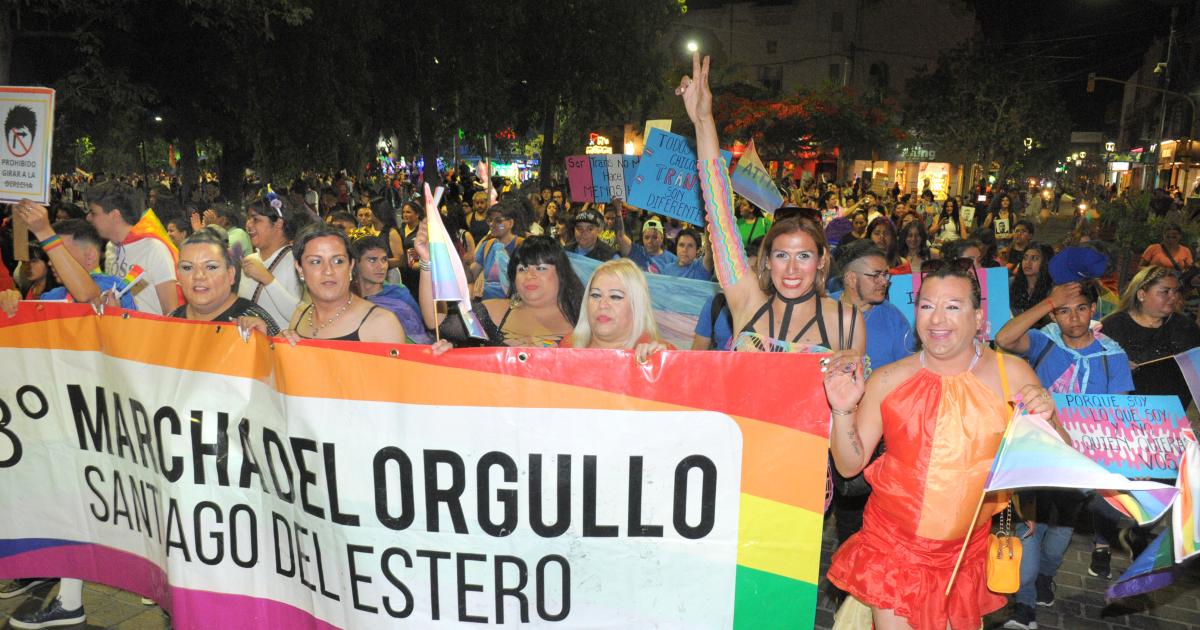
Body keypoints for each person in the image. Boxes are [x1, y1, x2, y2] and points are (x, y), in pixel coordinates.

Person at [824, 256, 1060, 630]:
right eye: (927, 306)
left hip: (967, 552)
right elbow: (850, 465)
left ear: (978, 317)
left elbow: (1054, 456)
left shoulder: (1012, 373)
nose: (937, 320)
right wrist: (842, 410)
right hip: (894, 548)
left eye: (953, 307)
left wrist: (1047, 415)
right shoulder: (888, 379)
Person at [679, 53, 864, 359]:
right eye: (781, 255)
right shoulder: (745, 300)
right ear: (767, 261)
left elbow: (851, 405)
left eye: (803, 255)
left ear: (821, 260)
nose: (791, 268)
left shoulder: (848, 321)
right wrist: (702, 121)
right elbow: (719, 211)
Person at [995, 274, 1133, 629]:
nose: (1073, 318)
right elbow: (1004, 338)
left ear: (1094, 309)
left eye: (1081, 309)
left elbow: (1120, 414)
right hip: (1034, 456)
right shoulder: (1044, 342)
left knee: (1058, 535)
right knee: (1029, 531)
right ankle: (1024, 606)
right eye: (1064, 311)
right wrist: (1047, 303)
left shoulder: (1111, 356)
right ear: (1054, 315)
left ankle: (1046, 576)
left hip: (1079, 463)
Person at [242, 222, 405, 344]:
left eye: (338, 261)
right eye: (315, 262)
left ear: (351, 266)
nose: (328, 271)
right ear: (299, 269)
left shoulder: (381, 323)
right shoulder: (300, 316)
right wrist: (272, 344)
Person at [417, 228, 581, 348]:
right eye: (522, 269)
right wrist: (426, 262)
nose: (530, 275)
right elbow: (434, 321)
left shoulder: (584, 317)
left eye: (541, 268)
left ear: (561, 273)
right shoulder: (494, 312)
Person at [1102, 265, 1200, 408]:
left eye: (1176, 291)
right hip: (1122, 412)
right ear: (1141, 295)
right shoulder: (1112, 326)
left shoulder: (1185, 327)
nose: (1173, 297)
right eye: (1165, 291)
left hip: (1173, 415)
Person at [86, 179, 180, 314]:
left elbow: (172, 311)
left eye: (94, 213)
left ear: (114, 215)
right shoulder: (111, 247)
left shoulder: (154, 249)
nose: (89, 218)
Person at [561, 258, 672, 361]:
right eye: (595, 295)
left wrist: (665, 364)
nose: (602, 305)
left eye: (615, 296)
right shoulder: (567, 347)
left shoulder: (660, 355)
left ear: (637, 306)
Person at [171, 230, 281, 333]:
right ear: (178, 276)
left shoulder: (255, 323)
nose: (198, 276)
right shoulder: (171, 320)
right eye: (187, 268)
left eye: (211, 267)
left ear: (230, 274)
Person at [237, 194, 309, 329]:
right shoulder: (249, 260)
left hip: (281, 347)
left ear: (278, 223)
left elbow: (304, 317)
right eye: (248, 219)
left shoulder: (298, 261)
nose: (248, 224)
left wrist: (267, 279)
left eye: (255, 219)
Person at [470, 201, 524, 299]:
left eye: (498, 221)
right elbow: (472, 273)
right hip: (486, 305)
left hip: (512, 305)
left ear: (511, 223)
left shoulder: (522, 245)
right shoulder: (487, 245)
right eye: (490, 220)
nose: (492, 224)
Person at [1008, 243, 1055, 320]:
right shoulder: (1010, 284)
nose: (1027, 262)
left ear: (1045, 263)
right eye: (1025, 258)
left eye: (1034, 258)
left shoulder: (1053, 289)